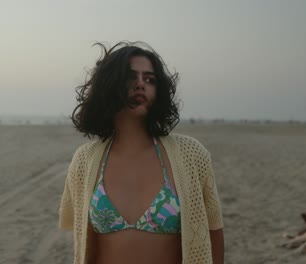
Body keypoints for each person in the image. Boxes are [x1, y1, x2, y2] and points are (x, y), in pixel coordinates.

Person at [58, 41, 224, 264]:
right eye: (130, 77)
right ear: (109, 84)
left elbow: (214, 230)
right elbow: (80, 234)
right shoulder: (85, 160)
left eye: (149, 79)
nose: (140, 84)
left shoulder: (191, 154)